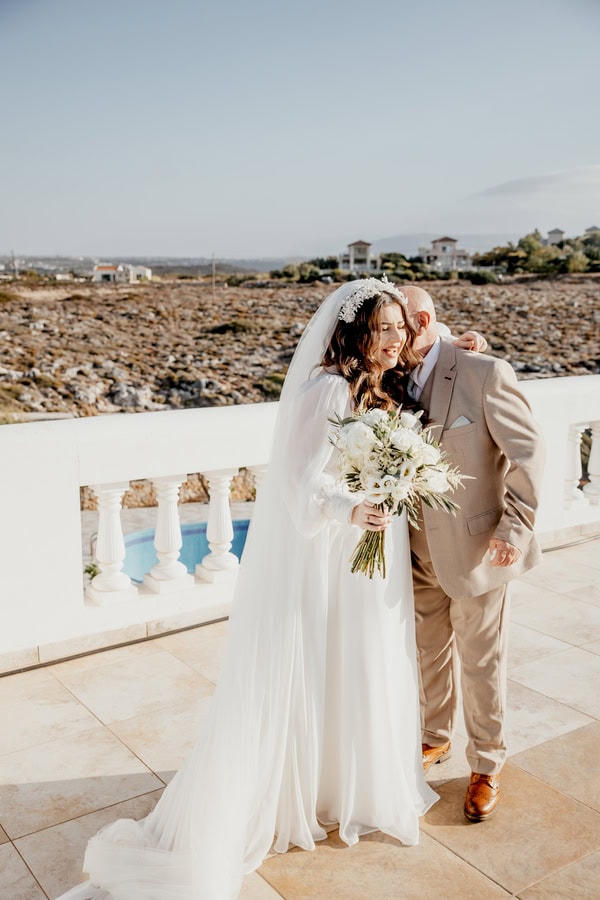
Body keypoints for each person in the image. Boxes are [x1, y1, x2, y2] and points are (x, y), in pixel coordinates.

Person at [58, 278, 448, 900]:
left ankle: (351, 781)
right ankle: (305, 786)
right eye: (384, 328)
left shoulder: (387, 383)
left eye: (402, 328)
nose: (396, 338)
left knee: (365, 657)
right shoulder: (325, 388)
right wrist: (351, 509)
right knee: (325, 658)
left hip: (375, 548)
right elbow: (296, 482)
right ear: (356, 332)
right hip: (336, 546)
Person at [401, 284, 544, 823]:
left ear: (421, 319)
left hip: (479, 549)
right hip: (413, 552)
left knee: (482, 662)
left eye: (395, 327)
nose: (386, 340)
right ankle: (433, 738)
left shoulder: (484, 371)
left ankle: (486, 764)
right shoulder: (391, 376)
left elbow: (528, 452)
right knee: (427, 653)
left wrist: (516, 527)